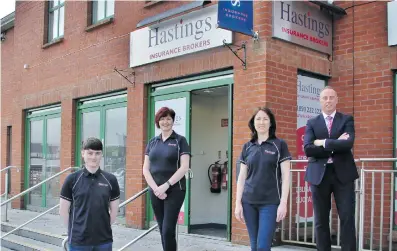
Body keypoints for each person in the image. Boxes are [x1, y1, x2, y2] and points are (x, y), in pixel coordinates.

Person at [304, 86, 358, 251]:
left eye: (331, 97)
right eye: (325, 98)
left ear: (337, 100)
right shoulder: (312, 123)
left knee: (347, 218)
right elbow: (308, 148)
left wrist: (323, 142)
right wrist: (336, 143)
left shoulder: (346, 119)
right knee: (320, 220)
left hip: (343, 175)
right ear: (320, 101)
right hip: (319, 175)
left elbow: (348, 143)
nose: (328, 101)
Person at [235, 107, 291, 251]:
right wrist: (238, 203)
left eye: (265, 119)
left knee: (263, 246)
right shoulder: (247, 147)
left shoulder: (280, 145)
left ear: (271, 123)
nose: (262, 122)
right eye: (258, 119)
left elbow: (286, 176)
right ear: (253, 123)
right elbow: (241, 177)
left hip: (270, 203)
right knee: (254, 245)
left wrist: (283, 203)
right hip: (248, 202)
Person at [59, 137, 120, 251]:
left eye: (97, 153)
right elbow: (63, 210)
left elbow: (114, 211)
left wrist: (103, 228)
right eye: (90, 153)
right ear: (83, 153)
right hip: (78, 242)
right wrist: (75, 231)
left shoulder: (111, 180)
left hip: (103, 241)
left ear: (101, 155)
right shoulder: (72, 179)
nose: (93, 157)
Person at [143, 107, 190, 251]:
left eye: (168, 119)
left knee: (168, 230)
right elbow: (145, 169)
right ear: (158, 121)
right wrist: (156, 188)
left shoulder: (180, 141)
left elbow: (184, 167)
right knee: (162, 229)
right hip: (155, 191)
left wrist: (166, 186)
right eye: (162, 119)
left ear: (173, 121)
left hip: (175, 190)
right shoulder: (152, 142)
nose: (165, 122)